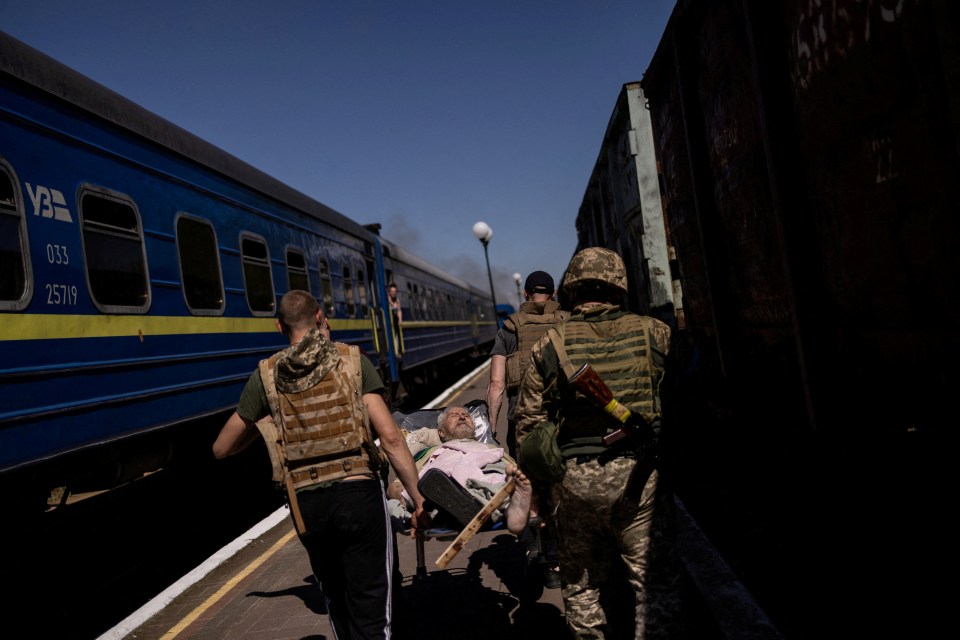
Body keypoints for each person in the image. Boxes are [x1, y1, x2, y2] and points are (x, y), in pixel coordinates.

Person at [212, 289, 429, 640]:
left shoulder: (265, 376)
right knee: (373, 605)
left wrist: (264, 423)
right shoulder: (353, 361)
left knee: (338, 599)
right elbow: (390, 438)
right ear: (320, 318)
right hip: (359, 493)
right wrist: (418, 497)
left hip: (307, 503)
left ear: (279, 326)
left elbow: (222, 448)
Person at [514, 247, 684, 639]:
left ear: (571, 290)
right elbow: (682, 403)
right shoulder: (655, 333)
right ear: (620, 287)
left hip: (573, 483)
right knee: (652, 585)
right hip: (641, 479)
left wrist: (543, 489)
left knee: (582, 587)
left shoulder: (549, 345)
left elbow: (528, 427)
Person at [485, 269, 567, 589]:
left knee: (528, 485)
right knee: (559, 486)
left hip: (524, 422)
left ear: (526, 294)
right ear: (554, 292)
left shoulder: (509, 328)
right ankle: (558, 562)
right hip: (563, 419)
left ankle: (535, 548)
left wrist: (491, 429)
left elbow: (496, 384)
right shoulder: (568, 322)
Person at [387, 405, 529, 532]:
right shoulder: (429, 453)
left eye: (466, 416)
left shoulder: (492, 449)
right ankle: (503, 505)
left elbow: (513, 469)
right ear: (441, 432)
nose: (462, 416)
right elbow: (396, 488)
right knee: (426, 484)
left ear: (474, 428)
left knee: (501, 476)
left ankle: (482, 501)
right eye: (454, 415)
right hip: (444, 485)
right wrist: (405, 498)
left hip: (485, 474)